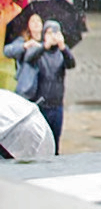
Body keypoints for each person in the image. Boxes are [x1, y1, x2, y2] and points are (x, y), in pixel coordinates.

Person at [23, 20, 75, 152]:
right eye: (49, 33)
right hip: (41, 104)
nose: (52, 36)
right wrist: (44, 46)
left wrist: (63, 47)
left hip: (57, 104)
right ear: (44, 34)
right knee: (39, 143)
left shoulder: (61, 53)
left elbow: (71, 64)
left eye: (56, 33)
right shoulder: (39, 51)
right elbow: (28, 58)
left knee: (55, 142)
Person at [4, 11, 43, 100]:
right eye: (33, 21)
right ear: (28, 25)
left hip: (44, 86)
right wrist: (25, 46)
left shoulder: (46, 42)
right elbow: (7, 51)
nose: (36, 23)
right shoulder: (23, 41)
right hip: (27, 87)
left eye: (38, 21)